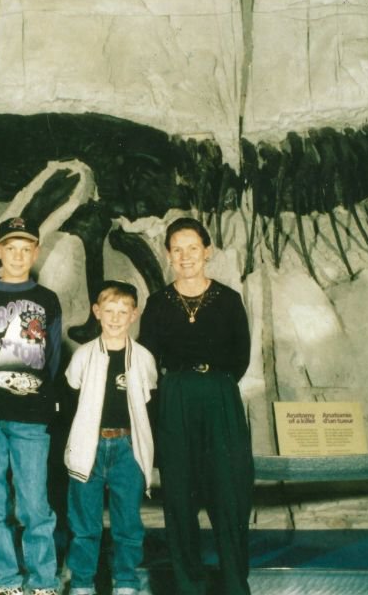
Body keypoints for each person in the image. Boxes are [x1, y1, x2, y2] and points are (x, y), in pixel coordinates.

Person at [138, 217, 252, 595]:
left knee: (229, 495)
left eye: (192, 248)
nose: (185, 256)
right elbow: (149, 363)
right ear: (169, 256)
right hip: (175, 399)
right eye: (177, 249)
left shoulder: (229, 300)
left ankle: (235, 584)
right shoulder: (157, 304)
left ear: (207, 251)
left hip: (220, 396)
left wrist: (211, 386)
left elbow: (240, 358)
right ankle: (188, 586)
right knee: (179, 498)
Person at [0, 216, 63, 595]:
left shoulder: (46, 299)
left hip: (31, 412)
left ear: (35, 252)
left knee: (34, 504)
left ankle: (43, 581)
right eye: (11, 248)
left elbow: (50, 358)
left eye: (26, 249)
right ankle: (6, 581)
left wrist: (31, 389)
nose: (18, 256)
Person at [63, 280, 158, 595]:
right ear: (96, 312)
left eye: (123, 311)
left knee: (127, 523)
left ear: (134, 315)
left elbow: (149, 406)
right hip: (88, 447)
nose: (115, 318)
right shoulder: (83, 356)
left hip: (127, 447)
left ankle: (127, 581)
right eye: (109, 311)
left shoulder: (143, 358)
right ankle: (81, 582)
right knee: (84, 526)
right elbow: (70, 402)